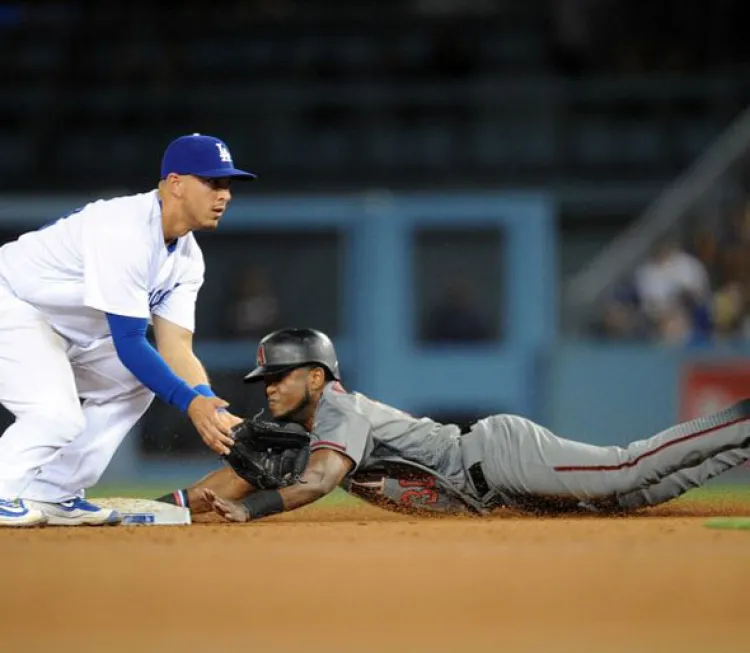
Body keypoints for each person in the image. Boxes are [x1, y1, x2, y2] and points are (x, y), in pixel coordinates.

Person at [158, 328, 750, 522]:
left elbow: (316, 482)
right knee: (638, 497)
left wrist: (256, 509)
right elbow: (234, 479)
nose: (270, 389)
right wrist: (159, 508)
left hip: (495, 457)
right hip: (500, 496)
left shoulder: (337, 409)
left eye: (280, 377)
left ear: (315, 376)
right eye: (265, 382)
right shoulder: (303, 426)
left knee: (626, 468)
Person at [0, 133, 255, 527]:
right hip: (13, 303)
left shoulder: (187, 259)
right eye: (212, 182)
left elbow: (176, 347)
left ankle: (53, 491)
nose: (225, 195)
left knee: (138, 382)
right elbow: (130, 342)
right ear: (175, 183)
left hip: (61, 326)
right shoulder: (125, 229)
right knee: (54, 414)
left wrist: (210, 405)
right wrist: (190, 404)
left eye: (227, 185)